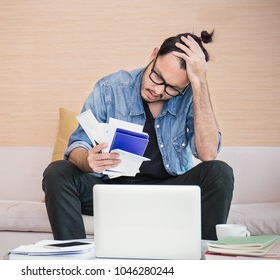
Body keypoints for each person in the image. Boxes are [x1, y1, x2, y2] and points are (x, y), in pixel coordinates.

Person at [43, 30, 234, 241]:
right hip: (111, 193)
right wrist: (88, 161)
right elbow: (77, 147)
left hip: (168, 194)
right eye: (158, 76)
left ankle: (202, 265)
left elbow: (208, 154)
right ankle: (73, 260)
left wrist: (200, 84)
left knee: (219, 172)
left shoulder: (190, 96)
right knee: (58, 172)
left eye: (172, 88)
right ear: (153, 55)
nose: (158, 90)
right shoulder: (110, 88)